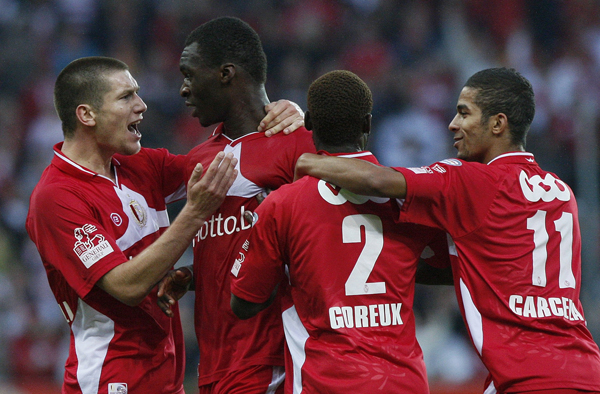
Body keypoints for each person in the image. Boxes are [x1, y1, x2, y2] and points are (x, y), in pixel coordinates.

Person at [294, 67, 600, 394]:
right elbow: (484, 268)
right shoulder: (560, 192)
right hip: (586, 369)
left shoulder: (469, 181)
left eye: (464, 113)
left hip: (529, 380)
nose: (453, 124)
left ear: (497, 124)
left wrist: (307, 163)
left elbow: (376, 180)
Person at [25, 56, 301, 394]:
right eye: (126, 97)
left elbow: (233, 169)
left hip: (166, 376)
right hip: (112, 379)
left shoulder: (139, 166)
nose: (141, 106)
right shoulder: (56, 196)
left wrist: (280, 120)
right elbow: (126, 287)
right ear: (87, 115)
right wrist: (193, 213)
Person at [229, 70, 452, 393]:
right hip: (403, 383)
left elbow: (244, 303)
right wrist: (398, 267)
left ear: (308, 124)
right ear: (368, 124)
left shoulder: (283, 204)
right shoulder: (407, 197)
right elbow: (450, 267)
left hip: (325, 382)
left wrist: (296, 266)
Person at [157, 16, 316, 394]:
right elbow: (238, 245)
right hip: (214, 366)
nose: (183, 89)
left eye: (189, 74)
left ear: (226, 74)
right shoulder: (197, 159)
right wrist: (195, 275)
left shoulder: (300, 145)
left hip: (271, 363)